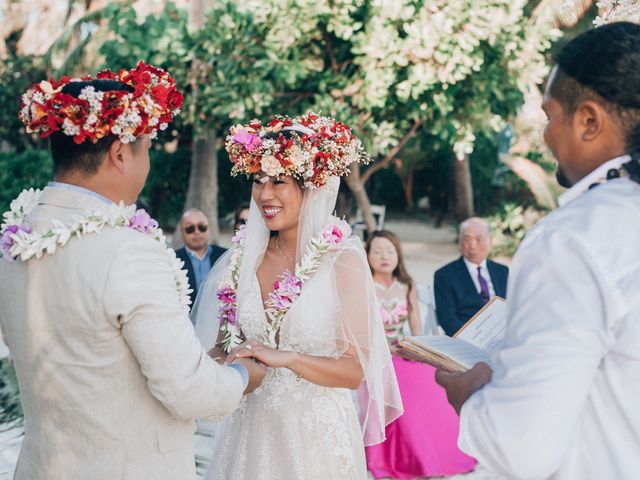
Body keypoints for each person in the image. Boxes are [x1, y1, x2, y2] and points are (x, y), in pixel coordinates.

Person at [0, 63, 265, 480]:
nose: (148, 164)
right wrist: (243, 374)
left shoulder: (14, 241)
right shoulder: (127, 252)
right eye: (146, 149)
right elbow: (188, 392)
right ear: (120, 153)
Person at [436, 22, 640, 479]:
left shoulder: (574, 239)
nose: (546, 136)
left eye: (550, 116)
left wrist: (469, 396)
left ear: (588, 120)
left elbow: (520, 450)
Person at [192, 113, 403, 479]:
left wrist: (287, 358)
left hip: (314, 440)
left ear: (312, 188)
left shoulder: (343, 261)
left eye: (279, 181)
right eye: (258, 181)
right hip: (249, 435)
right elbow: (224, 348)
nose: (265, 194)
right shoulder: (241, 259)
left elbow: (355, 371)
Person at [364, 230, 476, 479]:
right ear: (367, 255)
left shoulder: (406, 285)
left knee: (430, 378)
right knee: (399, 384)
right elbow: (362, 329)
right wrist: (386, 348)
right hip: (375, 352)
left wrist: (418, 350)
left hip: (402, 350)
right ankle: (413, 457)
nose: (385, 256)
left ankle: (441, 452)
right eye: (378, 251)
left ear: (398, 255)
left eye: (390, 250)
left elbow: (416, 326)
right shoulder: (362, 286)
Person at [433, 217, 509, 335]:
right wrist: (471, 338)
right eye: (467, 239)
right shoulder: (444, 275)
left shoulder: (503, 272)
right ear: (459, 241)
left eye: (479, 239)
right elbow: (447, 319)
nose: (473, 245)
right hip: (465, 340)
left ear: (490, 241)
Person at [175, 208, 226, 309]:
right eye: (190, 228)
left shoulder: (225, 256)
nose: (197, 232)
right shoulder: (173, 260)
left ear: (209, 228)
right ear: (182, 231)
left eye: (202, 227)